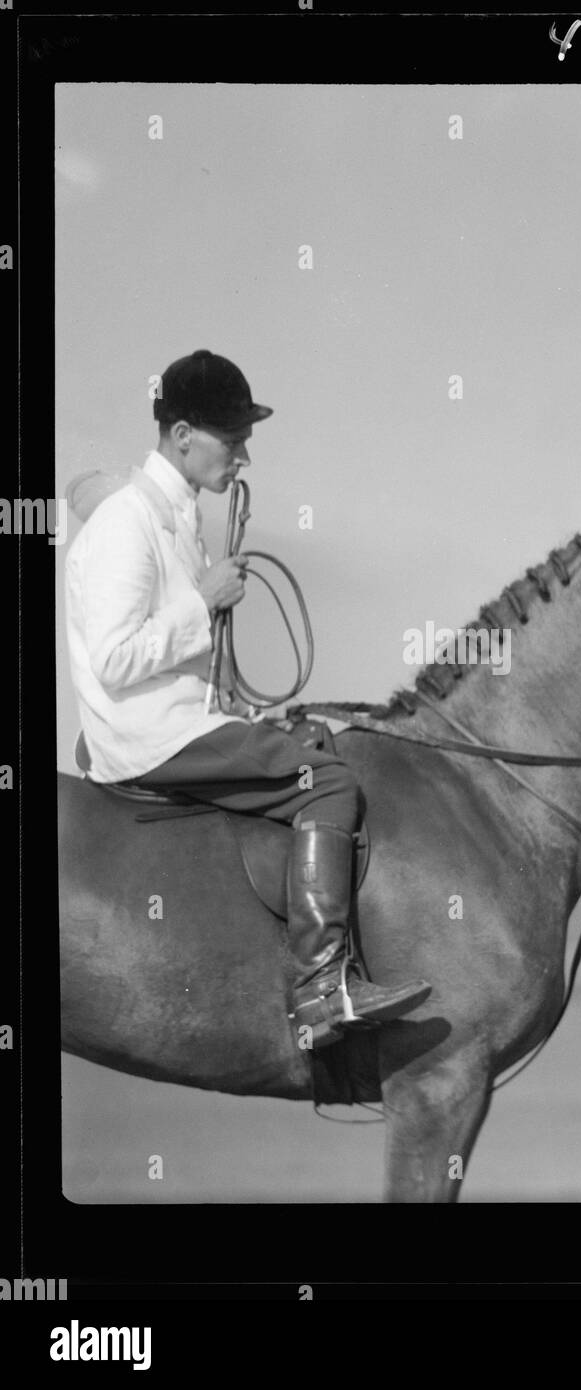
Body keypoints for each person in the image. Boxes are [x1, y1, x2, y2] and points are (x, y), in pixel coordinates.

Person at [64, 349, 431, 1049]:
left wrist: (236, 707)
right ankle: (321, 991)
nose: (243, 457)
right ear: (181, 437)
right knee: (325, 782)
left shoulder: (174, 518)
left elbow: (170, 658)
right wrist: (202, 605)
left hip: (176, 720)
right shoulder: (127, 523)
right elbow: (113, 658)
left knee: (317, 741)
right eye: (233, 441)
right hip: (147, 736)